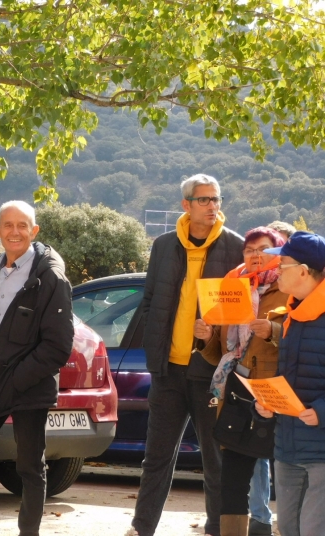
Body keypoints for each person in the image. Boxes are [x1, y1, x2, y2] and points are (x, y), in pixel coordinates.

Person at [126, 174, 244, 536]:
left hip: (211, 373)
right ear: (187, 205)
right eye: (205, 200)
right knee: (156, 459)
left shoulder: (234, 247)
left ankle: (217, 529)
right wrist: (155, 351)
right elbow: (149, 302)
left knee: (216, 461)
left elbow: (240, 313)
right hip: (167, 371)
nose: (212, 206)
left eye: (217, 199)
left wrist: (215, 337)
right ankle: (142, 528)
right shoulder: (163, 245)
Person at [0, 200, 74, 536]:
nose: (15, 231)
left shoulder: (50, 277)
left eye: (23, 225)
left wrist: (17, 379)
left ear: (34, 231)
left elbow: (58, 346)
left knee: (30, 467)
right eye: (8, 225)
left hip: (27, 386)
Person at [194, 227, 287, 536]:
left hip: (276, 395)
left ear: (278, 253)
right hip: (236, 392)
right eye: (250, 250)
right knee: (232, 479)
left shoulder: (290, 289)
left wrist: (273, 333)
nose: (256, 255)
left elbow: (307, 342)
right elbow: (222, 353)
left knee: (288, 476)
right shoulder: (233, 288)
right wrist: (207, 339)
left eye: (264, 249)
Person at [255, 231, 325, 536]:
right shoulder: (292, 315)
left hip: (321, 449)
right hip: (287, 446)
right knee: (288, 529)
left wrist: (323, 410)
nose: (275, 271)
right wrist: (267, 403)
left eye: (282, 264)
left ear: (303, 271)